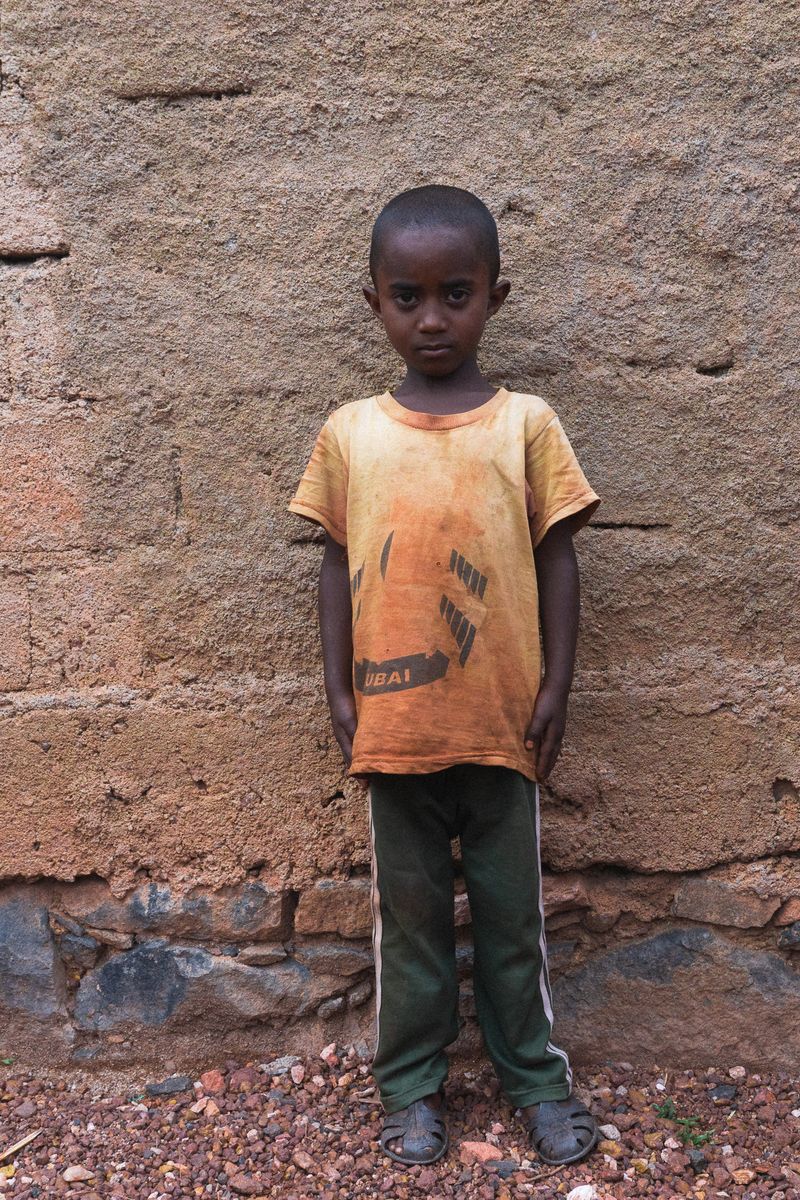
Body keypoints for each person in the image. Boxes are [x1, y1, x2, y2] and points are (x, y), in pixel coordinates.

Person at [288, 185, 601, 1167]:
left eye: (454, 294)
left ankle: (534, 1082)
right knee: (410, 927)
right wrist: (340, 695)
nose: (431, 318)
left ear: (494, 297)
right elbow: (335, 565)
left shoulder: (525, 426)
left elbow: (557, 557)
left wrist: (553, 689)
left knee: (512, 926)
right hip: (393, 733)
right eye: (407, 296)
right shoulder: (350, 434)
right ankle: (411, 1089)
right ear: (372, 303)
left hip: (502, 728)